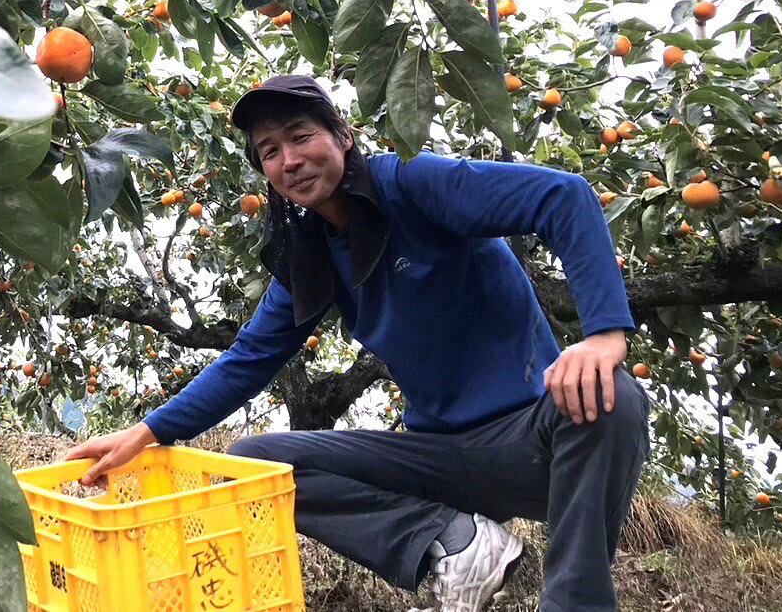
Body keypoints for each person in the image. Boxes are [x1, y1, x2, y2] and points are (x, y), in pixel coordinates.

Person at [61, 74, 648, 612]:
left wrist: (602, 335)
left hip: (532, 440)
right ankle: (456, 544)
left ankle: (575, 602)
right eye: (270, 151)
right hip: (439, 457)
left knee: (613, 395)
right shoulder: (310, 257)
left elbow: (563, 196)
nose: (290, 160)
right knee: (255, 462)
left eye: (300, 136)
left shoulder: (412, 183)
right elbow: (247, 361)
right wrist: (145, 433)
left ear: (342, 136)